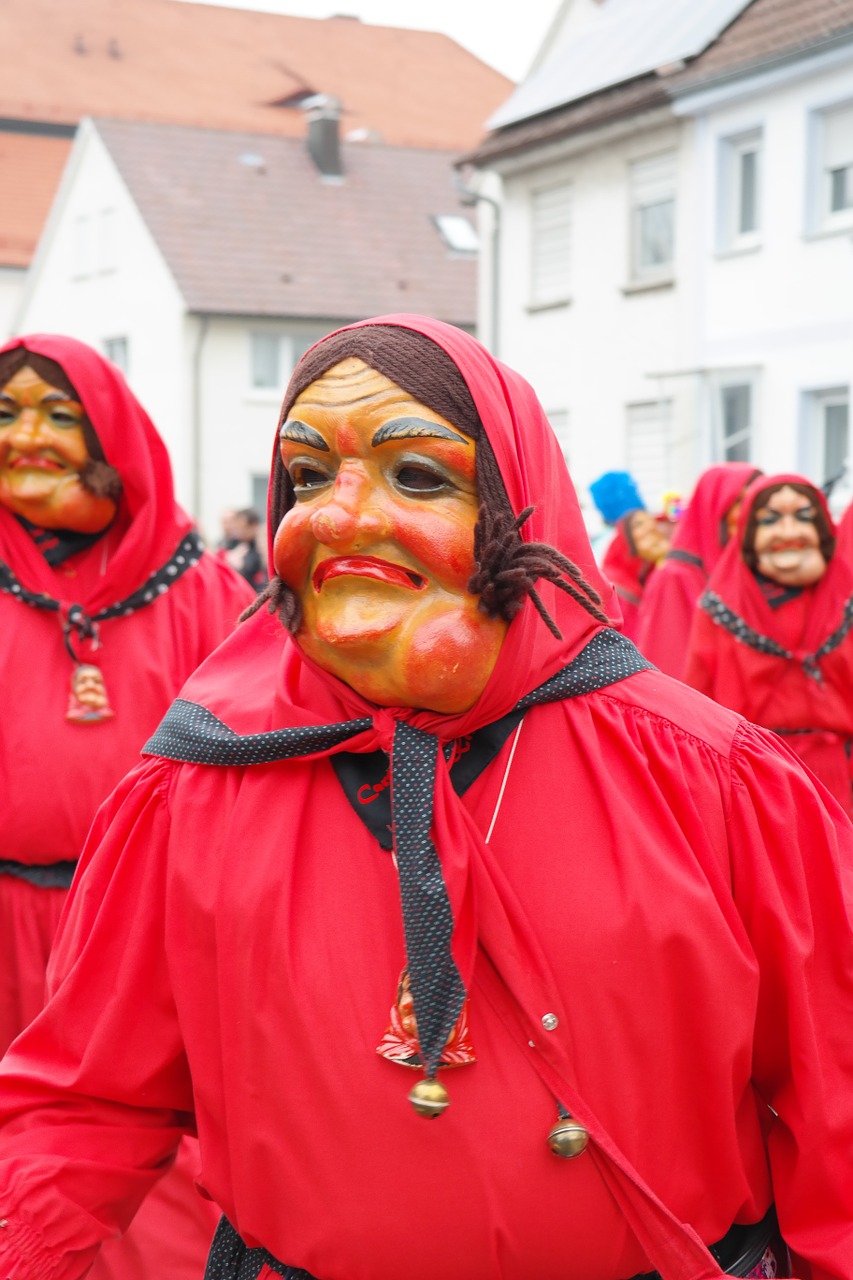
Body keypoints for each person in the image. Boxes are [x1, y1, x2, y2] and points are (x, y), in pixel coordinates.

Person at [0, 316, 851, 1280]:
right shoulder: (195, 788)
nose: (334, 517)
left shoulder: (718, 781)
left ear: (515, 507)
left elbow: (837, 1107)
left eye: (415, 476)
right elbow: (87, 1105)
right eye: (308, 477)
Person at [0, 334, 256, 1280]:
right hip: (3, 917)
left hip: (148, 931)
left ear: (111, 434)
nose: (28, 435)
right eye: (6, 413)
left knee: (159, 1169)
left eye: (59, 414)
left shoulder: (201, 589)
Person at [684, 473, 853, 819]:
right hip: (752, 775)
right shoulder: (719, 610)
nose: (789, 533)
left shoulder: (846, 601)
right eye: (770, 520)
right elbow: (697, 701)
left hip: (837, 775)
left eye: (803, 517)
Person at [636, 462, 761, 679]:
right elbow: (669, 670)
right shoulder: (674, 577)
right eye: (740, 501)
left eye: (758, 500)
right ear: (716, 507)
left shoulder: (751, 572)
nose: (753, 512)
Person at [601, 507, 672, 642]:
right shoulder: (616, 588)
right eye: (638, 525)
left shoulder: (651, 574)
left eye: (651, 522)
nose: (650, 527)